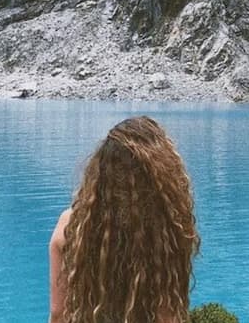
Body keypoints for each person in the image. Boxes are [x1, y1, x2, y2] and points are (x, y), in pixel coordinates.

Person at [50, 116, 200, 323]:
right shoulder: (168, 231)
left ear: (101, 170)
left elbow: (59, 312)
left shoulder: (70, 226)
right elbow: (167, 314)